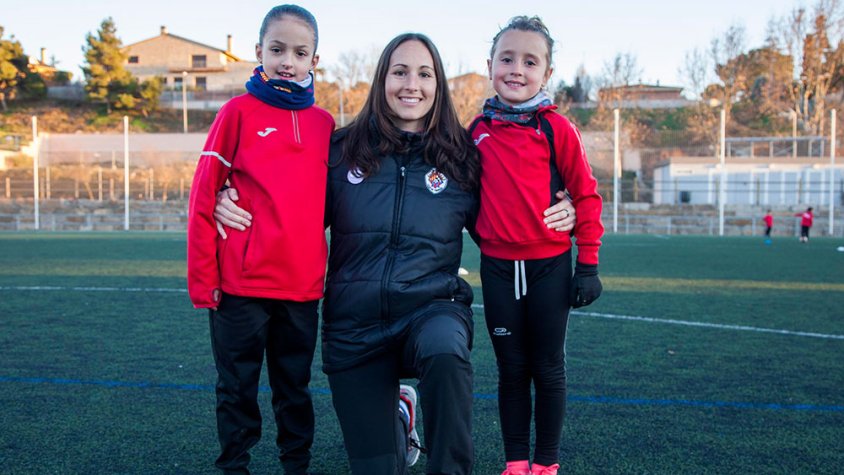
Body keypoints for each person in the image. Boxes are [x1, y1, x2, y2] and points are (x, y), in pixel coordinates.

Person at [212, 32, 577, 474]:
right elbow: (285, 200)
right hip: (354, 326)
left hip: (432, 310)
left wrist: (563, 209)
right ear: (382, 79)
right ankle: (399, 417)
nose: (412, 85)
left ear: (438, 85)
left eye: (425, 74)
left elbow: (509, 214)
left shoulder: (463, 157)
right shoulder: (341, 150)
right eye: (400, 72)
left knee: (446, 354)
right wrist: (227, 196)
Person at [186, 5, 333, 474]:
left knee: (295, 387)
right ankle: (235, 465)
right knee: (236, 388)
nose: (287, 60)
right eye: (277, 49)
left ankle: (296, 464)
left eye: (299, 51)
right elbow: (204, 196)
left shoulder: (325, 126)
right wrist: (203, 280)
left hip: (302, 288)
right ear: (258, 52)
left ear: (315, 60)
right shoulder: (236, 112)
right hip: (240, 287)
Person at [469, 16, 604, 475]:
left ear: (547, 74)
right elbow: (465, 199)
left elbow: (585, 195)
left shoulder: (557, 129)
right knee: (510, 368)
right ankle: (514, 463)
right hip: (498, 270)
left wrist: (587, 265)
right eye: (507, 59)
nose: (517, 70)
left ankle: (546, 463)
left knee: (547, 367)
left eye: (530, 62)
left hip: (549, 268)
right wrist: (484, 234)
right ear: (490, 65)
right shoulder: (476, 131)